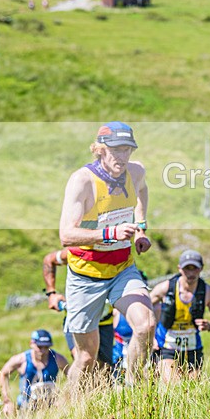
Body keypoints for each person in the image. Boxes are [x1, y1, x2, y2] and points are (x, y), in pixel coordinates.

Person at [59, 121, 155, 386]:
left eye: (127, 150)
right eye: (116, 150)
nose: (122, 157)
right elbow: (66, 235)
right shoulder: (82, 181)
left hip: (122, 268)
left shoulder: (136, 172)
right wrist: (111, 233)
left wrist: (141, 228)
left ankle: (133, 387)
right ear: (100, 150)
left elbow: (142, 190)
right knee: (86, 357)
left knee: (146, 325)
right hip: (85, 275)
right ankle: (71, 406)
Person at [150, 250, 210, 383]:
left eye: (194, 268)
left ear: (201, 268)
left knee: (192, 388)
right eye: (187, 269)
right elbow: (143, 309)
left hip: (193, 348)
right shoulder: (165, 288)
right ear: (179, 268)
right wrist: (150, 336)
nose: (191, 273)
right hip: (167, 345)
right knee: (173, 385)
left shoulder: (207, 292)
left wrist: (209, 326)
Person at [42, 248, 115, 369]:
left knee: (104, 368)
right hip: (77, 319)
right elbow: (49, 260)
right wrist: (51, 294)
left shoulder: (115, 252)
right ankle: (76, 382)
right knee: (83, 361)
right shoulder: (77, 251)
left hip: (104, 321)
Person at [0, 330, 69, 415]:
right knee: (9, 410)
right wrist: (6, 400)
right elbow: (3, 373)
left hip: (51, 404)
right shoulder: (21, 359)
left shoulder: (57, 359)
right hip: (26, 405)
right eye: (39, 347)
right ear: (32, 344)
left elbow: (72, 376)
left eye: (46, 347)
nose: (43, 351)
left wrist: (65, 397)